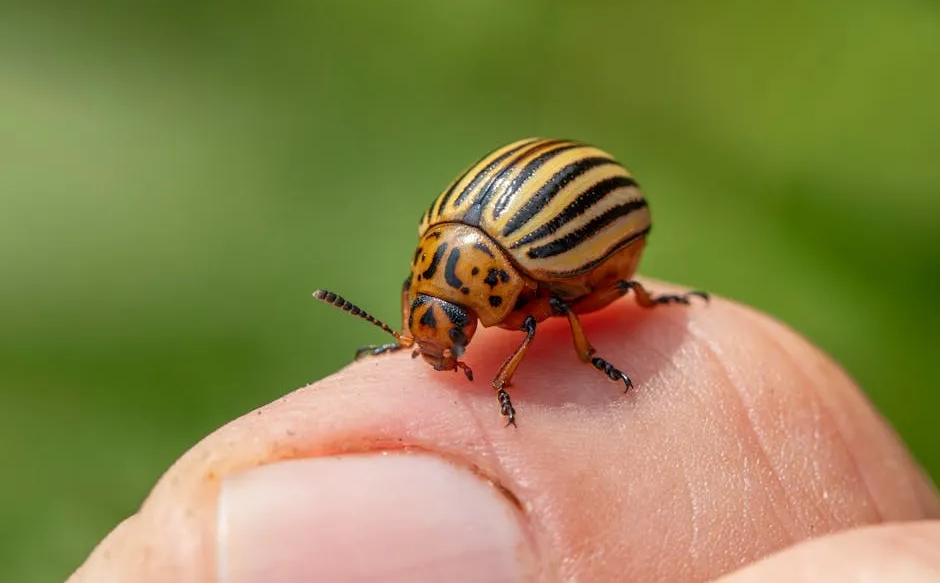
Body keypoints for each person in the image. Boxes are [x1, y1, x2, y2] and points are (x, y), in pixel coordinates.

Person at [67, 281, 939, 582]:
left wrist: (586, 355)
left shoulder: (524, 303)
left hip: (572, 249)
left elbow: (551, 313)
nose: (437, 356)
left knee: (548, 319)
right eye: (423, 332)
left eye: (437, 333)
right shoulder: (472, 283)